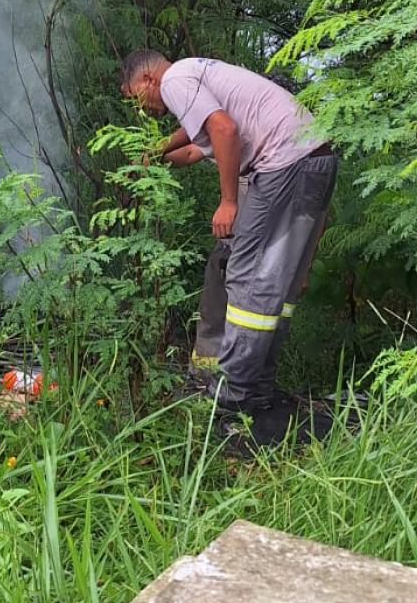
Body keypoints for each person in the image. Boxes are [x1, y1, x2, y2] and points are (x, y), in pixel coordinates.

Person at [119, 49, 338, 446]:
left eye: (136, 96)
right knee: (278, 286)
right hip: (314, 160)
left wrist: (229, 201)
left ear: (149, 80)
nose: (143, 109)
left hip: (283, 163)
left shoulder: (175, 80)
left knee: (246, 275)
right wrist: (156, 155)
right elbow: (194, 146)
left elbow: (223, 131)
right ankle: (258, 389)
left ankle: (232, 401)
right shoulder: (203, 77)